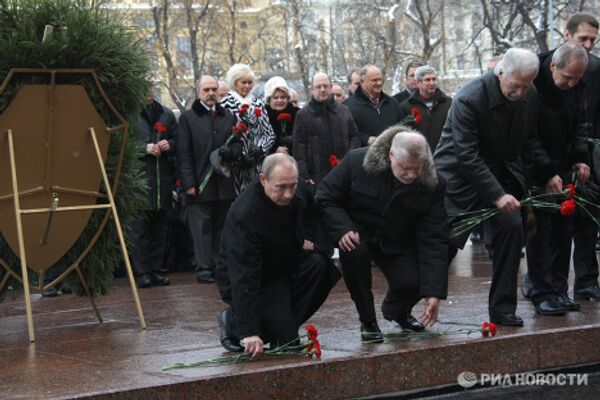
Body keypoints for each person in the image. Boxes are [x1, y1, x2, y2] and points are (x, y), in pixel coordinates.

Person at [434, 48, 556, 326]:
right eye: (515, 86)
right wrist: (497, 194)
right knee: (446, 244)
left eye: (527, 86)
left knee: (512, 229)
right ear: (500, 72)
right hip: (459, 180)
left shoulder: (530, 94)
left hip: (502, 176)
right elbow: (467, 155)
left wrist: (547, 172)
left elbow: (530, 139)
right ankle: (416, 303)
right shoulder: (469, 97)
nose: (521, 93)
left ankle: (502, 308)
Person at [316, 126, 449, 342]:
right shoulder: (356, 163)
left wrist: (433, 292)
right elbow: (325, 197)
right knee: (353, 251)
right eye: (404, 168)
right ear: (390, 156)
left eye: (417, 168)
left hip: (398, 240)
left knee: (414, 281)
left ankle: (398, 311)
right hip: (358, 234)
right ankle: (367, 320)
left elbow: (434, 237)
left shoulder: (432, 183)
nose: (411, 175)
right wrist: (342, 228)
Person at [215, 154, 341, 356]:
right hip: (255, 277)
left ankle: (282, 326)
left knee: (320, 265)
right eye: (281, 187)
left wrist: (309, 239)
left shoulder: (295, 187)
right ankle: (233, 323)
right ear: (264, 179)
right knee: (284, 337)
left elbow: (312, 213)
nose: (289, 194)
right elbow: (243, 275)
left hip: (284, 264)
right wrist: (250, 331)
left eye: (292, 185)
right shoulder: (245, 214)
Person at [523, 42, 590, 315]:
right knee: (541, 232)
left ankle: (559, 289)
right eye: (567, 77)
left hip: (564, 165)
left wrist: (581, 157)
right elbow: (530, 134)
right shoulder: (533, 85)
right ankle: (541, 291)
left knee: (564, 228)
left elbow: (581, 124)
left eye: (577, 78)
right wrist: (547, 172)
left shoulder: (577, 86)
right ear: (553, 67)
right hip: (537, 168)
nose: (572, 83)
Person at [177, 76, 236, 283]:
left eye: (213, 89)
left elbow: (237, 144)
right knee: (201, 228)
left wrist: (230, 152)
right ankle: (204, 268)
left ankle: (219, 266)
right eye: (206, 90)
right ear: (198, 92)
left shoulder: (228, 116)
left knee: (221, 227)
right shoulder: (188, 118)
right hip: (200, 183)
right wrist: (189, 184)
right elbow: (183, 153)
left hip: (223, 183)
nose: (210, 93)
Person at [565, 12, 600, 302]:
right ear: (567, 35)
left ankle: (587, 281)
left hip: (590, 153)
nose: (588, 45)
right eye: (582, 38)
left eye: (592, 39)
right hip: (557, 156)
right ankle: (542, 282)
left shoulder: (598, 69)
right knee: (552, 223)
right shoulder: (546, 64)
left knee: (588, 220)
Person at [131, 90, 176, 288]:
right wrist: (144, 148)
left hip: (162, 179)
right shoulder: (129, 114)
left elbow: (178, 140)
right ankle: (142, 273)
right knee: (139, 230)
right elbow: (121, 144)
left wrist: (170, 144)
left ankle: (157, 270)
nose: (147, 91)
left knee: (160, 229)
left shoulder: (166, 113)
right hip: (139, 180)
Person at [293, 72, 360, 185]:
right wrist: (304, 176)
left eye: (325, 86)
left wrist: (349, 159)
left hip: (344, 172)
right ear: (311, 89)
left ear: (331, 87)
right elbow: (299, 148)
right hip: (316, 177)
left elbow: (355, 137)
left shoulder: (344, 111)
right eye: (318, 86)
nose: (322, 89)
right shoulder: (303, 115)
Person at [221, 63, 275, 194]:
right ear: (234, 82)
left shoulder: (258, 103)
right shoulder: (225, 104)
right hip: (236, 167)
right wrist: (240, 156)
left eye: (250, 82)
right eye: (243, 82)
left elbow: (269, 134)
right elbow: (224, 136)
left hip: (257, 164)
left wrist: (260, 149)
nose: (247, 86)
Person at [344, 64, 402, 146]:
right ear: (362, 82)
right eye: (374, 80)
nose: (379, 83)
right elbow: (345, 133)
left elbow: (402, 127)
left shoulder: (392, 103)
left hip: (392, 154)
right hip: (363, 155)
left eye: (380, 80)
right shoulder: (348, 106)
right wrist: (366, 139)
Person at [399, 65, 451, 150]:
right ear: (418, 83)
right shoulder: (406, 106)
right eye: (427, 80)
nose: (432, 83)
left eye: (434, 79)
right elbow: (404, 135)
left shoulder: (449, 104)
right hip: (418, 156)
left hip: (444, 155)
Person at [263, 76, 299, 155]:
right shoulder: (263, 116)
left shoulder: (297, 114)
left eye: (283, 97)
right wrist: (274, 148)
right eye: (275, 98)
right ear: (269, 99)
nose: (279, 100)